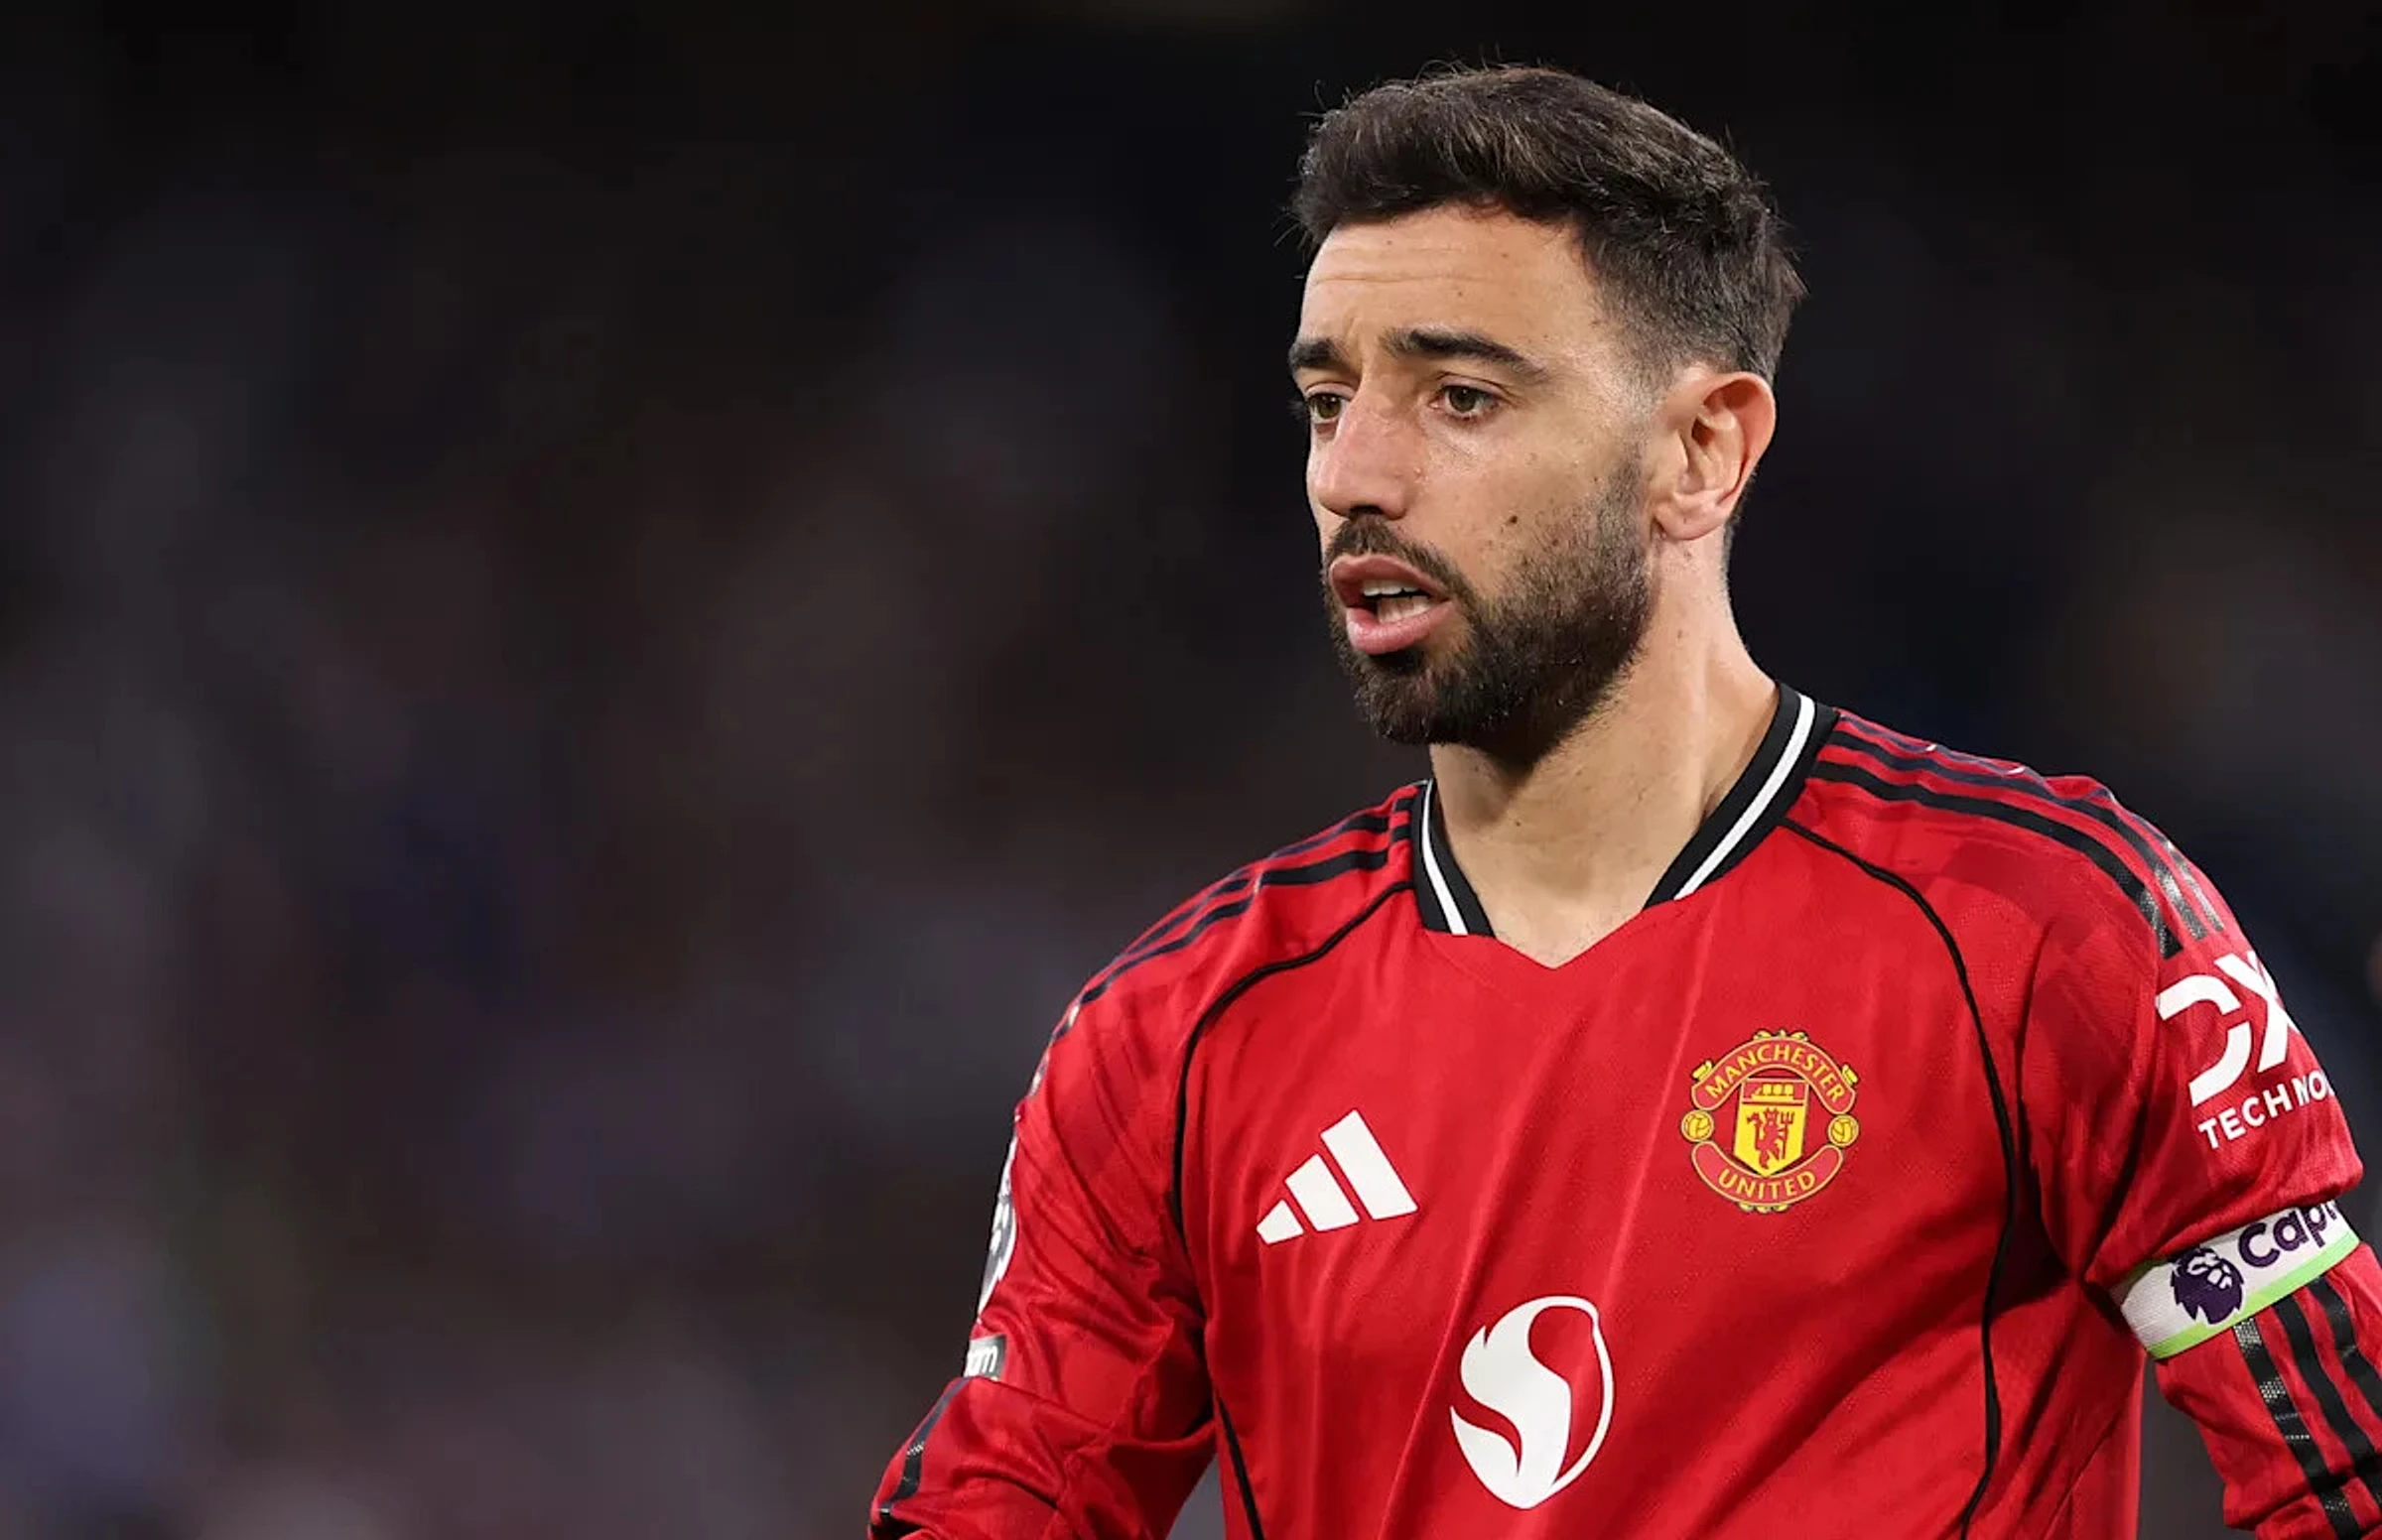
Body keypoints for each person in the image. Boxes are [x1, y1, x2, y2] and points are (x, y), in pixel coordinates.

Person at [868, 64, 2381, 1539]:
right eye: (1329, 401)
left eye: (1462, 397)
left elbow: (2347, 1473)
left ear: (1703, 451)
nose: (1355, 474)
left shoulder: (2048, 927)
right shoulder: (1175, 1039)